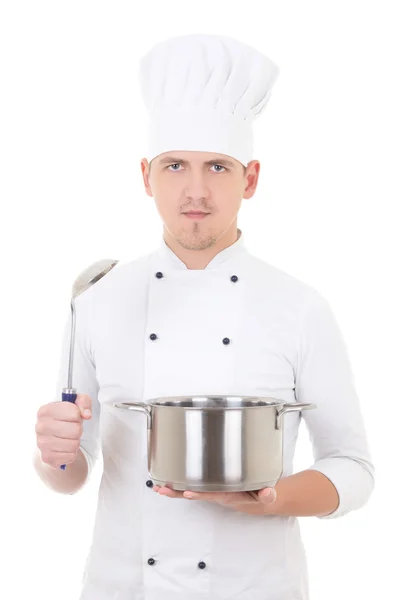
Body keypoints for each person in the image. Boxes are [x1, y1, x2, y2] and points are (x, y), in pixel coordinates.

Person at [33, 34, 375, 600]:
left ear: (251, 178)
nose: (196, 191)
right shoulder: (97, 298)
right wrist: (54, 456)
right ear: (146, 176)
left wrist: (273, 498)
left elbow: (354, 468)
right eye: (175, 167)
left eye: (218, 166)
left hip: (255, 587)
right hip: (123, 588)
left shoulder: (300, 307)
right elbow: (71, 475)